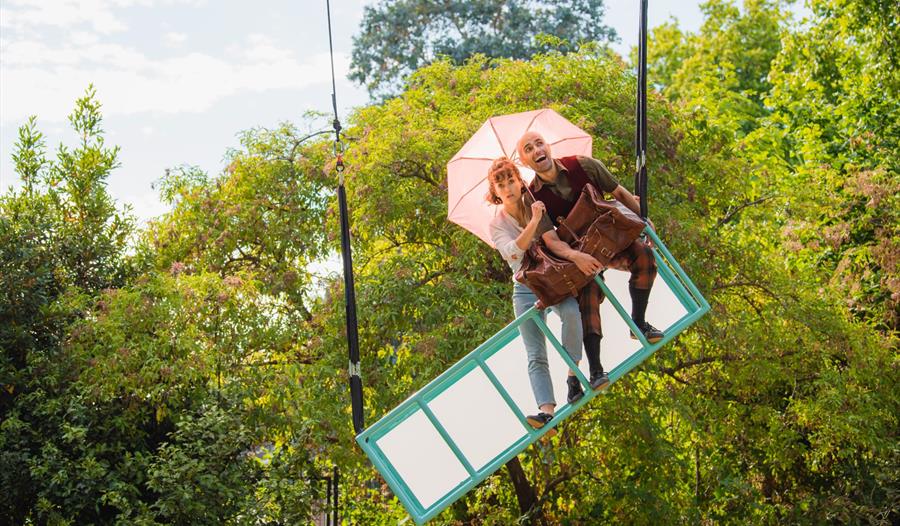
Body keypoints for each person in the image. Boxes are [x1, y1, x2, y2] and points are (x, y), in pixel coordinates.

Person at [517, 131, 665, 389]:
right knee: (589, 297)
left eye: (539, 143)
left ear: (548, 146)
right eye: (528, 148)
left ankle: (639, 323)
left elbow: (619, 193)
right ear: (525, 161)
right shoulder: (532, 198)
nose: (536, 150)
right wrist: (577, 257)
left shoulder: (583, 164)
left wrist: (643, 218)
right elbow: (551, 241)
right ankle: (596, 370)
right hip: (580, 254)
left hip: (611, 238)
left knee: (644, 256)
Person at [486, 158, 602, 436]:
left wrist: (538, 214)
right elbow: (514, 252)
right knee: (535, 353)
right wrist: (534, 221)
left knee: (572, 315)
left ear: (519, 180)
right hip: (525, 286)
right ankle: (546, 411)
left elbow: (554, 238)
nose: (508, 187)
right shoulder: (497, 224)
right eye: (500, 184)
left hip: (552, 279)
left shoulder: (536, 201)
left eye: (511, 180)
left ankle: (573, 375)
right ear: (495, 192)